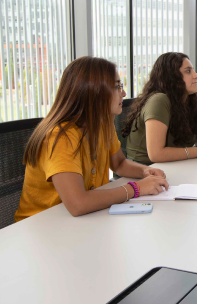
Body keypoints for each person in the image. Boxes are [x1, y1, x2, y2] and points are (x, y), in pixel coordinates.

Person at [16, 57, 170, 221]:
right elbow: (78, 204)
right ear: (94, 93)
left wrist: (144, 171)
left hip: (82, 221)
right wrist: (136, 188)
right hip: (42, 226)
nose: (124, 93)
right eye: (117, 87)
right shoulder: (60, 137)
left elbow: (118, 163)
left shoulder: (102, 123)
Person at [123, 52, 197, 165]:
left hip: (174, 164)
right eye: (188, 71)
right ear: (172, 77)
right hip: (144, 169)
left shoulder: (191, 98)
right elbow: (156, 154)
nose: (196, 75)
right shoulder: (159, 101)